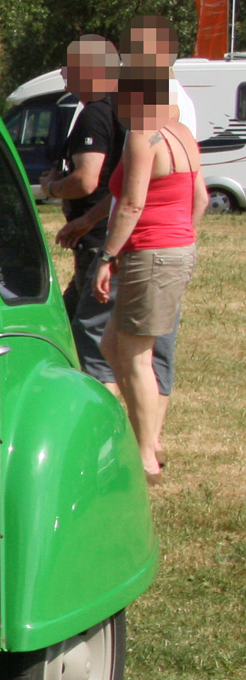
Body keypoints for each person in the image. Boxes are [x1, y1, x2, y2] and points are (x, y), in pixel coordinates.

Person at [92, 61, 203, 482]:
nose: (117, 101)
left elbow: (133, 204)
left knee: (136, 357)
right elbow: (202, 199)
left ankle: (146, 458)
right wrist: (182, 238)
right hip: (174, 249)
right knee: (111, 345)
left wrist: (108, 256)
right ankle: (145, 435)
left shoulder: (143, 137)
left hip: (151, 253)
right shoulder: (183, 134)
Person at [43, 37, 127, 386]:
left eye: (69, 67)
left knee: (87, 336)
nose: (63, 73)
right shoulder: (121, 109)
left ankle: (95, 406)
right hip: (103, 231)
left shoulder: (94, 115)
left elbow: (87, 180)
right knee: (67, 320)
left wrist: (52, 187)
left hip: (96, 240)